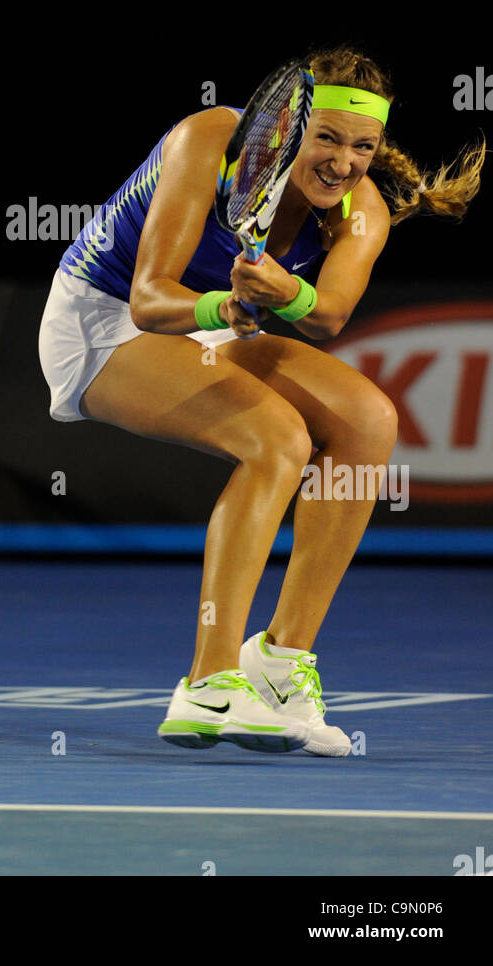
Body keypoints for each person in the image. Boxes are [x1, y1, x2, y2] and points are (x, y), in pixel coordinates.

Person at [38, 48, 485, 755]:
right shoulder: (206, 141)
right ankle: (210, 682)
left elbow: (330, 314)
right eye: (328, 138)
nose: (344, 162)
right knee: (277, 440)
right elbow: (152, 301)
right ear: (287, 128)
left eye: (363, 145)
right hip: (100, 323)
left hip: (214, 325)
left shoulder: (358, 209)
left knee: (370, 421)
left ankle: (280, 663)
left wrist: (283, 295)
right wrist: (225, 306)